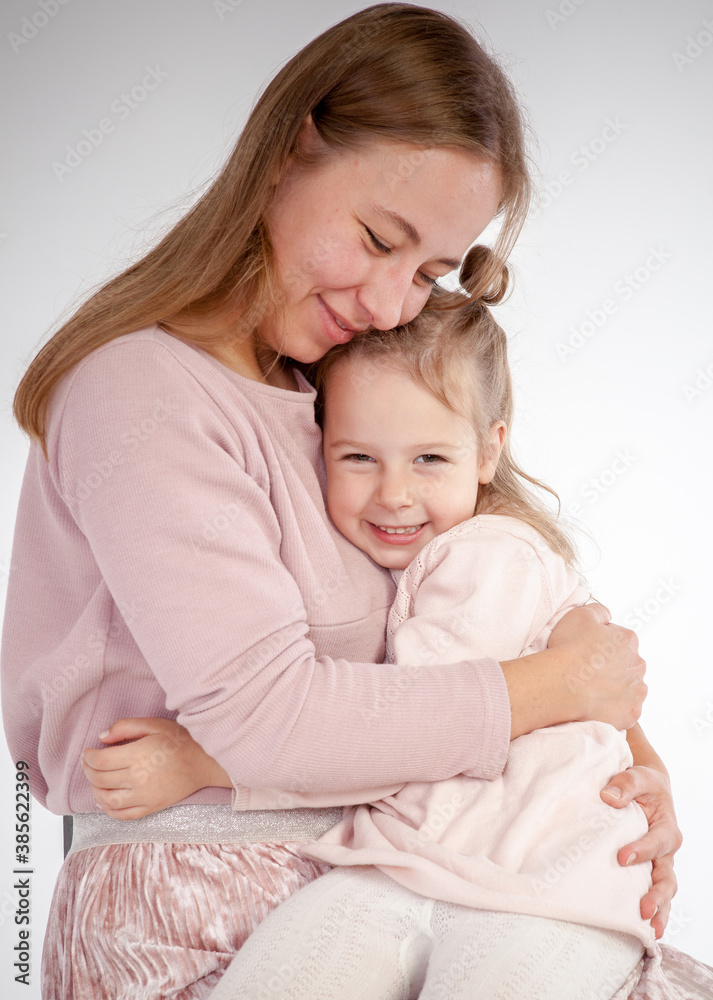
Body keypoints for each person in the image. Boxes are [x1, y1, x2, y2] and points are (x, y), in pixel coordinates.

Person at [0, 4, 683, 999]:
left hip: (413, 877)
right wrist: (557, 688)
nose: (388, 302)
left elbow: (471, 620)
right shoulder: (141, 393)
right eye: (374, 238)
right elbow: (273, 720)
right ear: (289, 148)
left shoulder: (332, 390)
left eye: (428, 272)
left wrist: (624, 766)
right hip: (202, 909)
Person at [110, 302, 656, 1000]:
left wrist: (201, 762)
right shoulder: (402, 564)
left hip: (544, 885)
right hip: (406, 867)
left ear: (489, 451)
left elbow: (410, 739)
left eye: (429, 458)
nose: (393, 494)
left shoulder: (489, 555)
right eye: (358, 458)